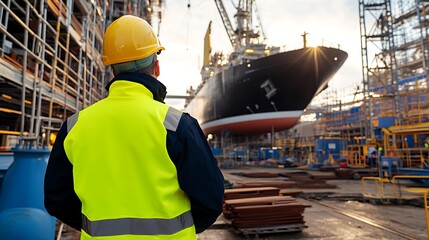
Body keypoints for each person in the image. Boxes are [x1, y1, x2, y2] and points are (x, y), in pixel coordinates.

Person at [44, 15, 225, 239]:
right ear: (156, 67)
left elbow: (57, 199)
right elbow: (211, 200)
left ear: (112, 70)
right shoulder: (177, 125)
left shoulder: (75, 127)